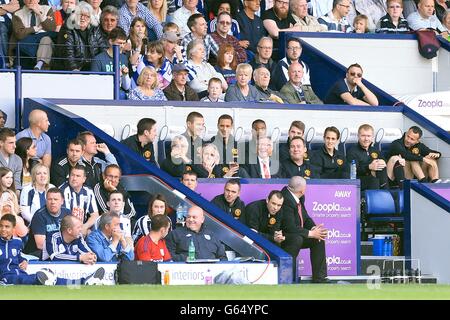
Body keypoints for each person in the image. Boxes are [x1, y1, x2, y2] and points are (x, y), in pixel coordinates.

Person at [0, 214, 106, 286]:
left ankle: (85, 281)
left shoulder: (17, 243)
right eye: (1, 226)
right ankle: (43, 278)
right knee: (30, 279)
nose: (3, 229)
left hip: (19, 272)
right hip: (5, 277)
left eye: (7, 226)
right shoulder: (52, 237)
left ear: (13, 228)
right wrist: (80, 257)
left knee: (54, 279)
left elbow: (18, 256)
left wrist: (24, 260)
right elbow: (55, 256)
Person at [280, 176, 329, 283]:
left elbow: (305, 217)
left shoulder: (299, 196)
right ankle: (289, 278)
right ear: (302, 190)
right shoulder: (285, 199)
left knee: (318, 239)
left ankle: (320, 278)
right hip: (284, 236)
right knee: (297, 239)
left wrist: (314, 228)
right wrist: (311, 233)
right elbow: (289, 227)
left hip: (297, 233)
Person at [52, 2, 105, 71]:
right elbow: (67, 52)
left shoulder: (95, 28)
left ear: (90, 18)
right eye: (80, 15)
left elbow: (103, 48)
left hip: (93, 67)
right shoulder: (68, 27)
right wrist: (74, 69)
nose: (83, 18)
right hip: (72, 69)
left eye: (86, 16)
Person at [24, 188, 71, 257]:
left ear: (62, 201)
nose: (52, 202)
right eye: (49, 199)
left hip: (60, 250)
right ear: (46, 201)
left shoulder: (67, 213)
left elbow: (74, 235)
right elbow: (40, 245)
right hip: (37, 253)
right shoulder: (39, 215)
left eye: (56, 199)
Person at [11, 0, 56, 70]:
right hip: (25, 48)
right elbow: (20, 34)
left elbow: (51, 29)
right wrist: (35, 28)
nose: (31, 1)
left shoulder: (47, 9)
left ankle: (40, 64)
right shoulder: (17, 13)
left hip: (43, 45)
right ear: (24, 1)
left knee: (46, 39)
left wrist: (39, 14)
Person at [91, 27, 131, 99]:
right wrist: (116, 76)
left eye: (123, 43)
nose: (122, 46)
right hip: (103, 94)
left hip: (121, 93)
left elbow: (126, 87)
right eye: (119, 43)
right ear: (110, 41)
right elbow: (94, 84)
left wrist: (125, 75)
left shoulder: (124, 58)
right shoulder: (98, 59)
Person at [59, 165, 99, 236]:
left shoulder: (88, 191)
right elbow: (65, 217)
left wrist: (85, 227)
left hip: (82, 228)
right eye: (72, 175)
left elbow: (95, 215)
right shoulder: (62, 191)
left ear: (84, 179)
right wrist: (79, 229)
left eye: (78, 176)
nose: (74, 178)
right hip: (67, 229)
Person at [346, 124, 389, 191]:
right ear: (358, 136)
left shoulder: (374, 149)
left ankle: (387, 193)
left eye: (368, 136)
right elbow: (352, 173)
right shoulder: (352, 151)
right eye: (363, 136)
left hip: (375, 177)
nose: (366, 139)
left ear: (372, 137)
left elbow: (384, 161)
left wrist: (383, 162)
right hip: (359, 180)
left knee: (382, 163)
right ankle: (385, 192)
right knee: (374, 181)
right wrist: (368, 167)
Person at [0, 128, 22, 192]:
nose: (14, 146)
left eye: (15, 142)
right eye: (11, 143)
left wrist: (15, 197)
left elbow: (17, 184)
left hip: (11, 196)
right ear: (1, 143)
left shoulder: (17, 160)